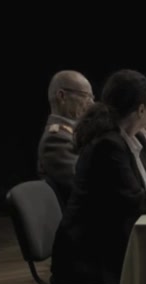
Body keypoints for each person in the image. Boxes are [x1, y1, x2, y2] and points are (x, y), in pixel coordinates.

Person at [51, 69, 146, 284]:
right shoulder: (108, 145)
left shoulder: (135, 140)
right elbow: (137, 201)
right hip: (93, 250)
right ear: (141, 110)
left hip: (116, 235)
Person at [37, 70, 94, 207]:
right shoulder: (56, 139)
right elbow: (88, 185)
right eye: (85, 96)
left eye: (92, 97)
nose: (92, 104)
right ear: (62, 96)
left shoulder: (75, 133)